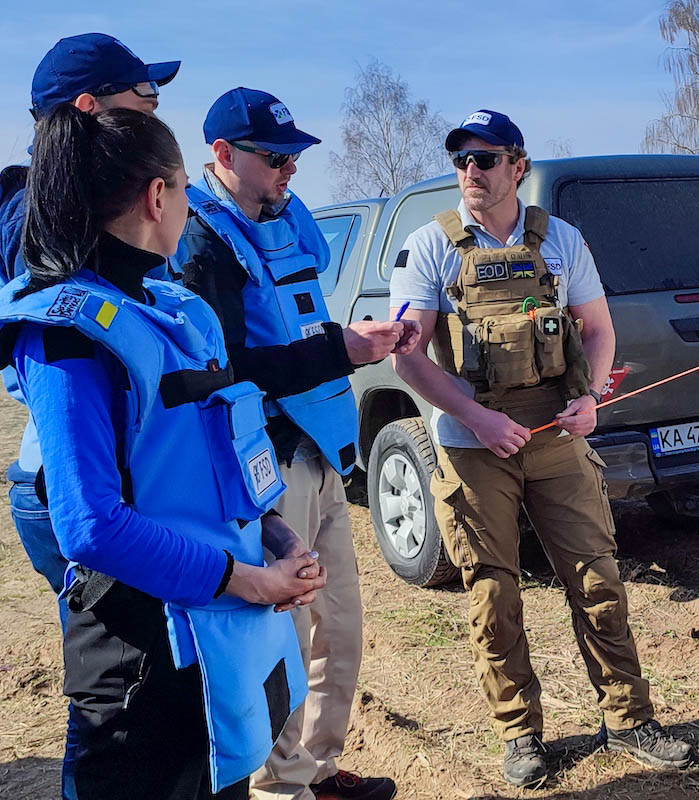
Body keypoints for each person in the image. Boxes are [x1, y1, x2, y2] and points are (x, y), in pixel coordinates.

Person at [0, 105, 324, 799]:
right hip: (142, 669)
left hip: (220, 650)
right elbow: (89, 526)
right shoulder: (66, 334)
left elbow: (219, 452)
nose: (188, 202)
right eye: (183, 187)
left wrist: (276, 533)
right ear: (158, 196)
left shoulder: (180, 312)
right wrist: (248, 581)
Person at [389, 109, 696, 787]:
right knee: (493, 593)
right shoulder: (431, 245)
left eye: (486, 159)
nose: (471, 171)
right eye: (462, 160)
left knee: (597, 578)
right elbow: (410, 360)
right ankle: (520, 734)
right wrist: (476, 418)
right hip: (474, 445)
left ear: (517, 168)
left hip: (557, 435)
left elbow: (597, 328)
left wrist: (587, 399)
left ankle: (629, 718)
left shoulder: (561, 240)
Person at [177, 87, 415, 800]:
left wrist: (351, 343)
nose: (290, 171)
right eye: (275, 157)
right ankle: (282, 791)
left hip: (321, 450)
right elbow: (224, 371)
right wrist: (343, 350)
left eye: (294, 157)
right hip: (269, 470)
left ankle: (316, 771)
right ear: (222, 155)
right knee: (288, 641)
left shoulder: (285, 218)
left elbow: (301, 324)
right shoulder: (198, 241)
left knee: (339, 632)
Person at [2, 33, 181, 602]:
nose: (155, 111)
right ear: (88, 108)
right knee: (116, 667)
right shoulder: (38, 217)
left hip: (114, 474)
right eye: (144, 98)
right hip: (77, 485)